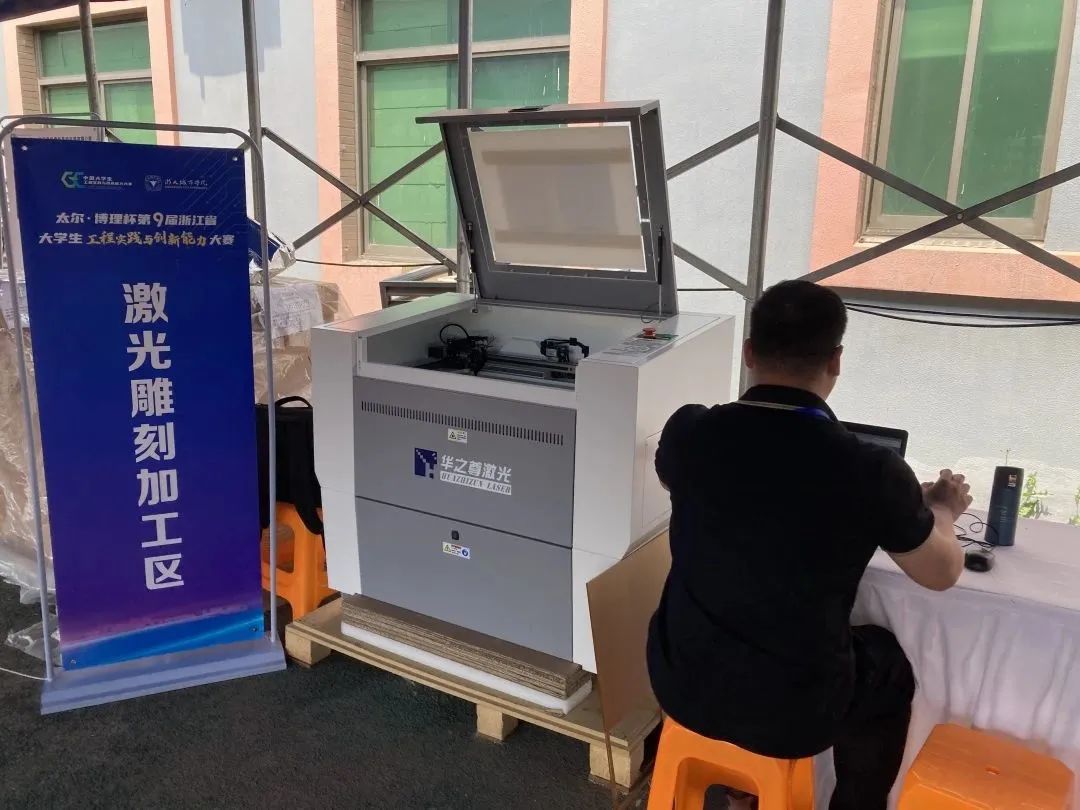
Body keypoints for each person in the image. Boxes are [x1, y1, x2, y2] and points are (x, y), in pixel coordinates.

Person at [647, 280, 969, 810]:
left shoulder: (690, 432)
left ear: (749, 353)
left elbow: (674, 479)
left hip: (679, 681)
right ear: (836, 361)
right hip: (792, 714)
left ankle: (739, 791)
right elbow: (941, 573)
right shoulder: (870, 470)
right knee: (887, 665)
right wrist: (943, 511)